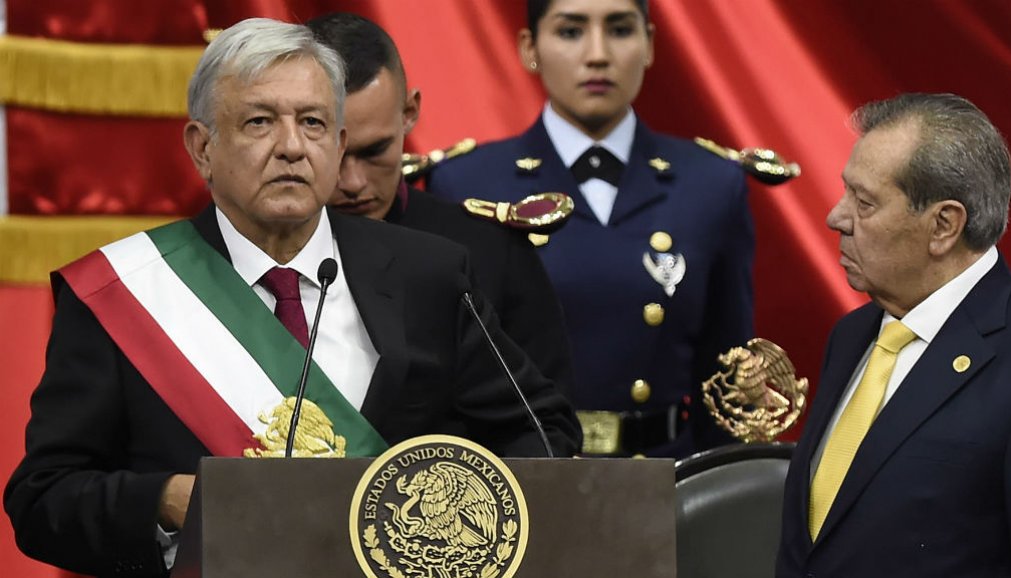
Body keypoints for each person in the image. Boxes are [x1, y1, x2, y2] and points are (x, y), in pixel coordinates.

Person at [3, 18, 581, 578]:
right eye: (259, 122)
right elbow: (43, 498)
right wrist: (170, 500)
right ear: (202, 148)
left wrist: (448, 524)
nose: (291, 147)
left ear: (338, 142)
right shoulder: (124, 292)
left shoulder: (429, 273)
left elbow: (544, 430)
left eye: (312, 123)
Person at [427, 0, 754, 457]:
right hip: (527, 474)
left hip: (668, 474)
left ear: (649, 44)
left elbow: (727, 373)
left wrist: (727, 481)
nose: (597, 54)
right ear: (529, 48)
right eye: (570, 31)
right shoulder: (467, 184)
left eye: (620, 30)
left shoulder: (710, 184)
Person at [776, 93, 1011, 576]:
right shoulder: (851, 336)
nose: (836, 217)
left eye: (864, 202)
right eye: (846, 192)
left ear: (944, 226)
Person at [305, 12, 575, 397]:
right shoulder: (251, 250)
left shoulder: (491, 253)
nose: (353, 182)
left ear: (410, 113)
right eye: (334, 153)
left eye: (375, 151)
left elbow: (546, 422)